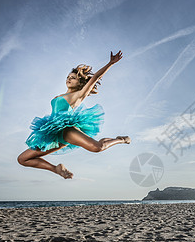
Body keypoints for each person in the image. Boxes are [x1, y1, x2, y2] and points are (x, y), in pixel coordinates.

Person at [17, 50, 130, 179]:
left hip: (67, 131)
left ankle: (120, 139)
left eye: (73, 78)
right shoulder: (59, 96)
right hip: (52, 134)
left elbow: (95, 78)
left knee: (97, 147)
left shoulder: (77, 95)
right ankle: (57, 169)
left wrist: (110, 63)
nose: (69, 79)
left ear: (80, 82)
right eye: (68, 77)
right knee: (22, 159)